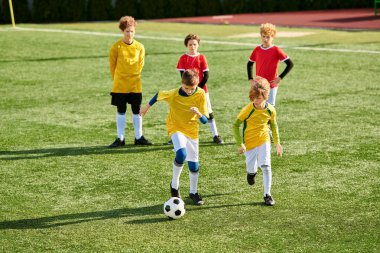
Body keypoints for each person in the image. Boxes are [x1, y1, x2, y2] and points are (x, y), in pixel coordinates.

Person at [140, 69, 208, 205]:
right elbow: (158, 94)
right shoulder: (174, 94)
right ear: (182, 83)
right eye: (186, 88)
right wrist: (146, 108)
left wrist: (199, 113)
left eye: (192, 88)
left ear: (197, 85)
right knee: (181, 154)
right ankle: (174, 185)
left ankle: (193, 192)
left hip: (192, 131)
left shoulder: (201, 94)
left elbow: (205, 120)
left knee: (194, 165)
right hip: (175, 128)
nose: (189, 91)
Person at [232, 76, 283, 206]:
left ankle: (267, 194)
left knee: (266, 166)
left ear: (266, 96)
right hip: (249, 143)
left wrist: (277, 143)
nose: (255, 101)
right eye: (253, 98)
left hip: (264, 139)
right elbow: (235, 125)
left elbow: (273, 125)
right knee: (251, 168)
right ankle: (251, 173)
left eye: (258, 98)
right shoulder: (247, 110)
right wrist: (240, 143)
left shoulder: (270, 109)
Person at [108, 16, 151, 148]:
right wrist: (118, 78)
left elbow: (141, 64)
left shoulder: (140, 47)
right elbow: (112, 66)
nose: (130, 34)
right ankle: (120, 138)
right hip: (120, 84)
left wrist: (133, 75)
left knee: (136, 110)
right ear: (122, 31)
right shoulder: (116, 47)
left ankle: (139, 137)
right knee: (121, 110)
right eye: (127, 31)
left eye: (132, 31)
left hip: (135, 84)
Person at [176, 34, 223, 144]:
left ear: (198, 45)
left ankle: (215, 134)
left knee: (208, 112)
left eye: (195, 44)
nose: (192, 47)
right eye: (190, 44)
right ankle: (179, 134)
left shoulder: (201, 57)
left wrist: (198, 89)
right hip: (187, 90)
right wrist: (189, 88)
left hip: (202, 90)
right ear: (186, 45)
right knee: (184, 112)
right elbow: (183, 76)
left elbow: (206, 75)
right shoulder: (183, 58)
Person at [247, 23, 294, 107]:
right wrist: (250, 79)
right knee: (258, 107)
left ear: (273, 37)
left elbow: (290, 64)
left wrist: (280, 78)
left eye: (268, 37)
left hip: (271, 85)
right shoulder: (257, 49)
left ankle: (272, 121)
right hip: (258, 85)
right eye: (263, 36)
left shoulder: (276, 50)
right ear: (261, 35)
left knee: (270, 108)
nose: (265, 39)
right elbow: (250, 63)